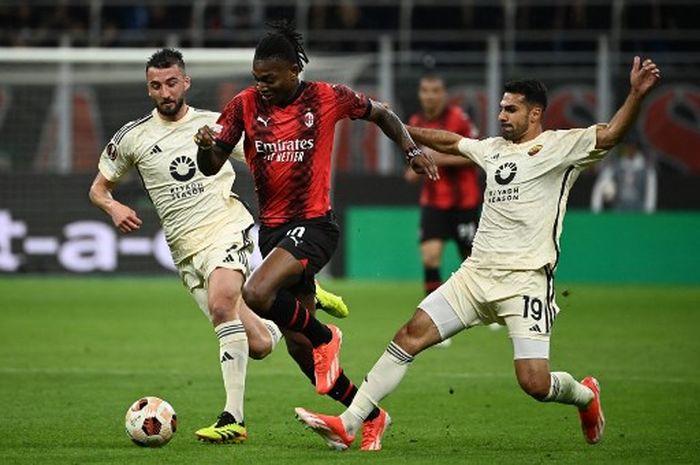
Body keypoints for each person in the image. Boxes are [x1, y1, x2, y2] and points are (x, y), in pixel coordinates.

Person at [294, 56, 661, 450]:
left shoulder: (561, 147)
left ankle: (585, 396)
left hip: (525, 281)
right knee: (409, 335)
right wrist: (389, 120)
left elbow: (610, 135)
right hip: (475, 275)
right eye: (501, 107)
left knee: (534, 383)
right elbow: (449, 141)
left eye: (511, 109)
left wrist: (636, 94)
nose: (501, 114)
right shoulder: (493, 149)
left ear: (535, 114)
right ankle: (350, 422)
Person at [194, 20, 437, 450]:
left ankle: (329, 336)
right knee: (301, 351)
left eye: (269, 78)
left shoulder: (326, 97)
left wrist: (411, 149)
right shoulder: (244, 105)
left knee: (255, 294)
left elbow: (380, 112)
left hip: (315, 225)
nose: (262, 86)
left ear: (293, 70)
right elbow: (212, 163)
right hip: (273, 232)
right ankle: (370, 415)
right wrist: (204, 145)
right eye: (256, 78)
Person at [88, 48, 343, 445]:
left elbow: (266, 159)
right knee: (257, 344)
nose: (165, 91)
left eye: (172, 82)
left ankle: (233, 418)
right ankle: (295, 299)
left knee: (224, 304)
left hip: (226, 227)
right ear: (148, 88)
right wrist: (114, 205)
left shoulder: (216, 124)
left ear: (185, 82)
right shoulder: (133, 136)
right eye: (156, 85)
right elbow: (99, 188)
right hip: (185, 251)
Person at [404, 74, 481, 300]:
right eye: (426, 90)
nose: (430, 96)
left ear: (444, 94)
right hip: (433, 202)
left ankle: (482, 308)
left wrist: (438, 158)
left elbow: (477, 155)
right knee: (430, 257)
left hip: (463, 201)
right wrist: (413, 171)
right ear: (420, 94)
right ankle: (434, 314)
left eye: (435, 90)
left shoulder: (459, 119)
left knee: (471, 260)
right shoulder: (416, 122)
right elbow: (417, 161)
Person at [590, 138, 657, 213]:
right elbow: (601, 185)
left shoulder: (646, 168)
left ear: (637, 148)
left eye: (633, 146)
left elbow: (650, 193)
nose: (630, 149)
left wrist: (649, 213)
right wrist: (596, 210)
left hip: (639, 213)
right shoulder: (616, 166)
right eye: (628, 146)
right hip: (619, 212)